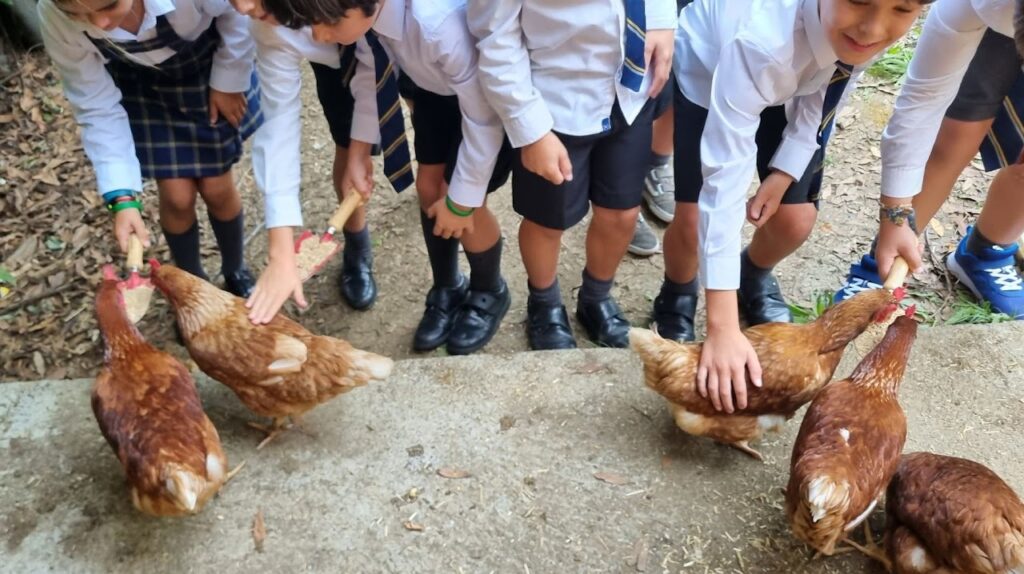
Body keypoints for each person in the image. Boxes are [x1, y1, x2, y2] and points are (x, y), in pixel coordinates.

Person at [654, 0, 928, 413]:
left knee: (796, 218)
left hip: (798, 82)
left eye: (902, 8)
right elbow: (724, 185)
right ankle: (676, 291)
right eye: (858, 0)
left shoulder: (862, 33)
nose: (874, 27)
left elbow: (834, 83)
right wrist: (723, 326)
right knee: (693, 219)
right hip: (713, 69)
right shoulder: (764, 42)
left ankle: (750, 273)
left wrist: (785, 169)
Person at [255, 0, 514, 355]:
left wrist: (461, 199)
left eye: (324, 23)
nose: (317, 35)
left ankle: (488, 290)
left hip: (483, 105)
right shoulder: (370, 21)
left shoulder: (436, 25)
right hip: (433, 95)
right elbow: (370, 69)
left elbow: (484, 119)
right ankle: (447, 285)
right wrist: (359, 150)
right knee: (428, 187)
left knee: (461, 202)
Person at [468, 0, 678, 350]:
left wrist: (660, 19)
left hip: (629, 91)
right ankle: (544, 301)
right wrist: (530, 129)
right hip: (556, 103)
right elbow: (495, 38)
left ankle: (596, 296)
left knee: (622, 212)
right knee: (547, 220)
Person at [40, 0, 262, 296]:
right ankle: (192, 287)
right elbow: (95, 105)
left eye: (109, 6)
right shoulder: (54, 15)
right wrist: (121, 196)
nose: (99, 23)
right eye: (76, 14)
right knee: (176, 196)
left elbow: (236, 13)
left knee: (217, 187)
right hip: (143, 90)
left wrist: (228, 80)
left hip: (206, 71)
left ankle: (235, 268)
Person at [834, 0, 1024, 320]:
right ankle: (882, 266)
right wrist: (895, 217)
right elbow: (922, 105)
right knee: (957, 133)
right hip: (993, 18)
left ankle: (986, 250)